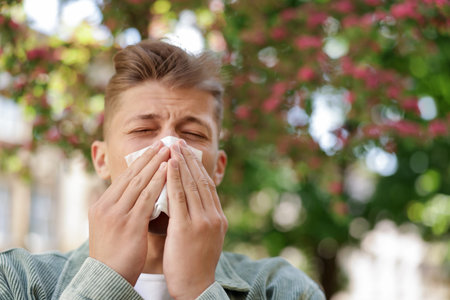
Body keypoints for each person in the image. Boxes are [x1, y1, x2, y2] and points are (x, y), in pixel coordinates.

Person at [0, 40, 325, 299]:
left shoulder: (281, 288)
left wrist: (200, 291)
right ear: (101, 159)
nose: (170, 149)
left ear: (218, 168)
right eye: (143, 131)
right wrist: (104, 279)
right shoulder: (18, 281)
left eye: (193, 134)